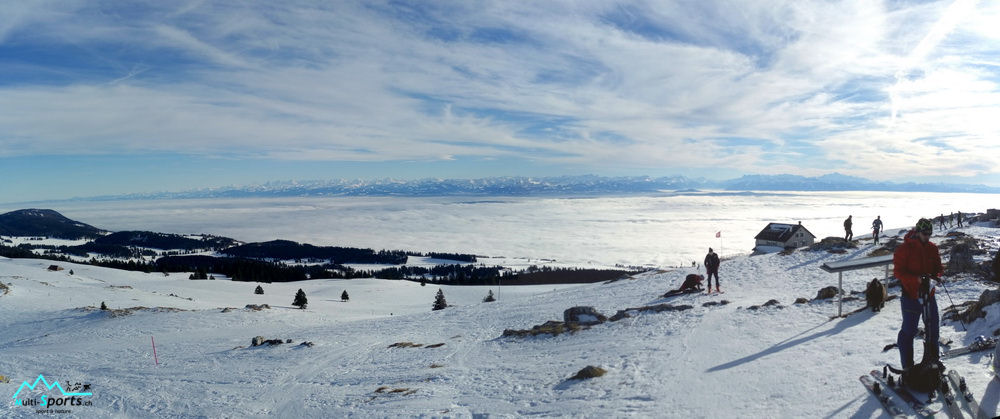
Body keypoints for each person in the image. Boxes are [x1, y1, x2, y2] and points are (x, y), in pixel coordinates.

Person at [894, 218, 943, 370]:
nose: (927, 236)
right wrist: (916, 280)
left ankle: (933, 361)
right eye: (924, 233)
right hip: (911, 296)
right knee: (909, 331)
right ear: (917, 231)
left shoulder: (932, 248)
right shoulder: (905, 249)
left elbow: (938, 268)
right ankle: (907, 366)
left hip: (929, 295)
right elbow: (898, 272)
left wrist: (936, 277)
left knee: (933, 329)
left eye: (930, 233)